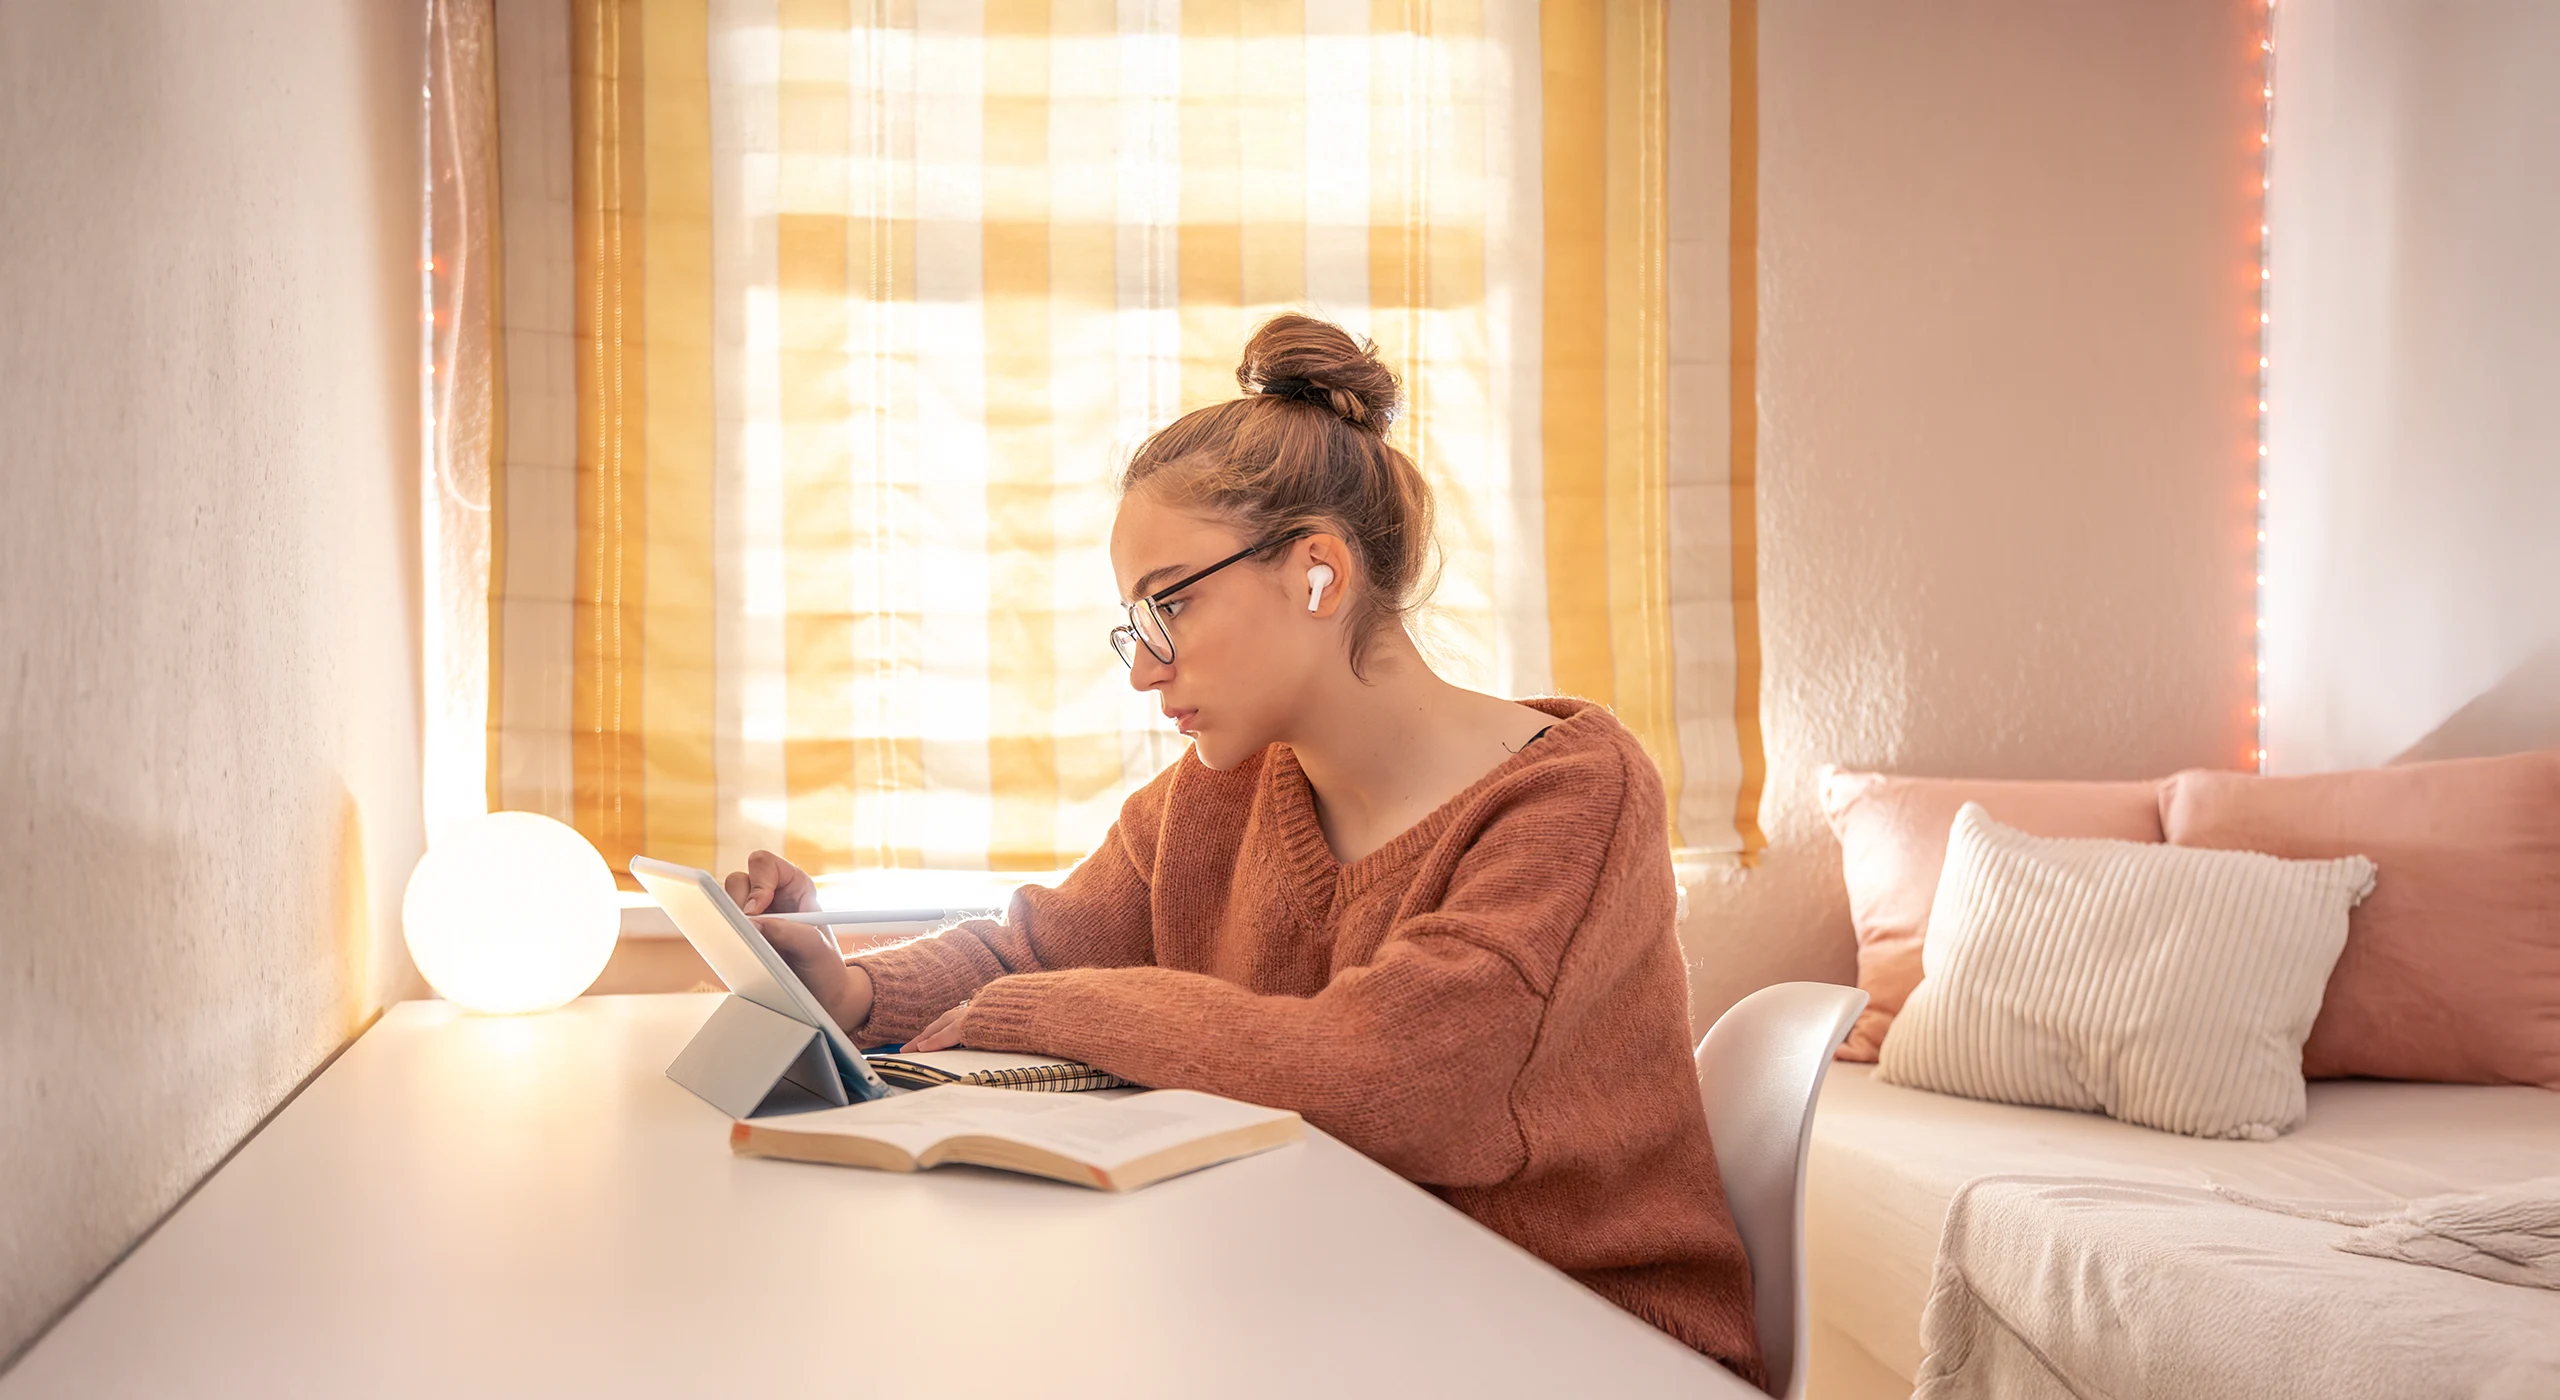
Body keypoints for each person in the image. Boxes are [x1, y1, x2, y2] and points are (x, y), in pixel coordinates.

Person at [725, 313, 1762, 1385]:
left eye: (1169, 602)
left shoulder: (1571, 797)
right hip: (1339, 1292)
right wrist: (847, 986)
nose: (1143, 667)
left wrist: (1031, 1013)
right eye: (1136, 621)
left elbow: (1391, 1082)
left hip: (1584, 1335)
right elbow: (1037, 946)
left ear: (1318, 571)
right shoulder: (1219, 790)